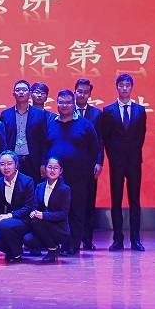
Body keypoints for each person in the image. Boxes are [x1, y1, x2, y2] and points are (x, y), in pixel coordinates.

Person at [45, 89, 101, 256]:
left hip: (79, 177)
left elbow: (94, 147)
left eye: (68, 102)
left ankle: (74, 244)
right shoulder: (50, 123)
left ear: (74, 103)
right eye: (61, 102)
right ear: (57, 104)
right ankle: (61, 242)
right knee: (59, 210)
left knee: (77, 210)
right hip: (55, 178)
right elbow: (44, 146)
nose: (64, 105)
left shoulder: (85, 125)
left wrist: (87, 168)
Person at [101, 73, 147, 252]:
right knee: (116, 200)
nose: (124, 88)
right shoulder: (109, 110)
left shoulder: (140, 110)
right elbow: (106, 137)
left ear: (131, 88)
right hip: (117, 162)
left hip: (134, 161)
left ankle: (135, 239)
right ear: (117, 88)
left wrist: (133, 152)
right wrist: (113, 156)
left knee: (135, 201)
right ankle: (117, 239)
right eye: (121, 85)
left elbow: (141, 136)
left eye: (127, 85)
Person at [0, 150, 34, 263]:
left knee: (4, 225)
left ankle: (16, 252)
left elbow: (28, 207)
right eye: (2, 164)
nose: (6, 167)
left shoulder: (27, 181)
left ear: (16, 164)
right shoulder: (0, 182)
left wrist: (9, 215)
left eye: (9, 163)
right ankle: (12, 250)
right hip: (7, 220)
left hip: (24, 219)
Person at [74, 78, 104, 251]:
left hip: (89, 166)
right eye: (79, 91)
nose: (82, 94)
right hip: (70, 165)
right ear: (75, 92)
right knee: (70, 202)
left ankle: (87, 239)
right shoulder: (66, 111)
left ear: (90, 94)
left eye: (86, 92)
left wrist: (99, 162)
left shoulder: (97, 114)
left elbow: (100, 140)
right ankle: (71, 238)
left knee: (88, 202)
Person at [0, 80, 48, 185]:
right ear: (13, 94)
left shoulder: (40, 114)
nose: (21, 92)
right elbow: (3, 140)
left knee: (33, 189)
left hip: (33, 161)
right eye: (18, 90)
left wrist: (43, 163)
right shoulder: (5, 114)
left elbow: (44, 141)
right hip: (12, 161)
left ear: (30, 93)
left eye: (24, 90)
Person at [25, 157, 71, 263]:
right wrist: (33, 212)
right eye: (49, 167)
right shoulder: (39, 187)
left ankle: (52, 250)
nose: (52, 170)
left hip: (59, 228)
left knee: (36, 222)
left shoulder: (65, 189)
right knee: (27, 239)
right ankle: (53, 246)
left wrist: (43, 215)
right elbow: (35, 206)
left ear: (61, 171)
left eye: (56, 168)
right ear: (45, 169)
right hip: (43, 226)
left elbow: (63, 213)